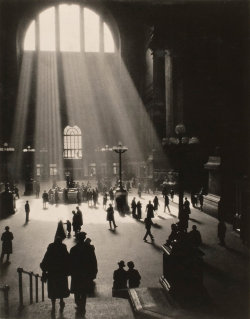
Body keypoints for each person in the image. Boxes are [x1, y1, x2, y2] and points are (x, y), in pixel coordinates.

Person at [70, 232, 98, 316]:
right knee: (84, 291)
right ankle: (82, 306)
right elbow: (93, 260)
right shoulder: (89, 248)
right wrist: (94, 271)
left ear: (78, 239)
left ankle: (78, 304)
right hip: (86, 273)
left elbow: (70, 262)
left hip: (76, 273)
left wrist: (70, 271)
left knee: (77, 290)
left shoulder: (73, 249)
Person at [40, 236, 70, 313]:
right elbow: (68, 259)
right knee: (61, 287)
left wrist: (44, 270)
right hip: (61, 273)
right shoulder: (63, 248)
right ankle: (61, 300)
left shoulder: (51, 248)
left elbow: (45, 259)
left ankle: (53, 304)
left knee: (53, 288)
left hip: (52, 273)